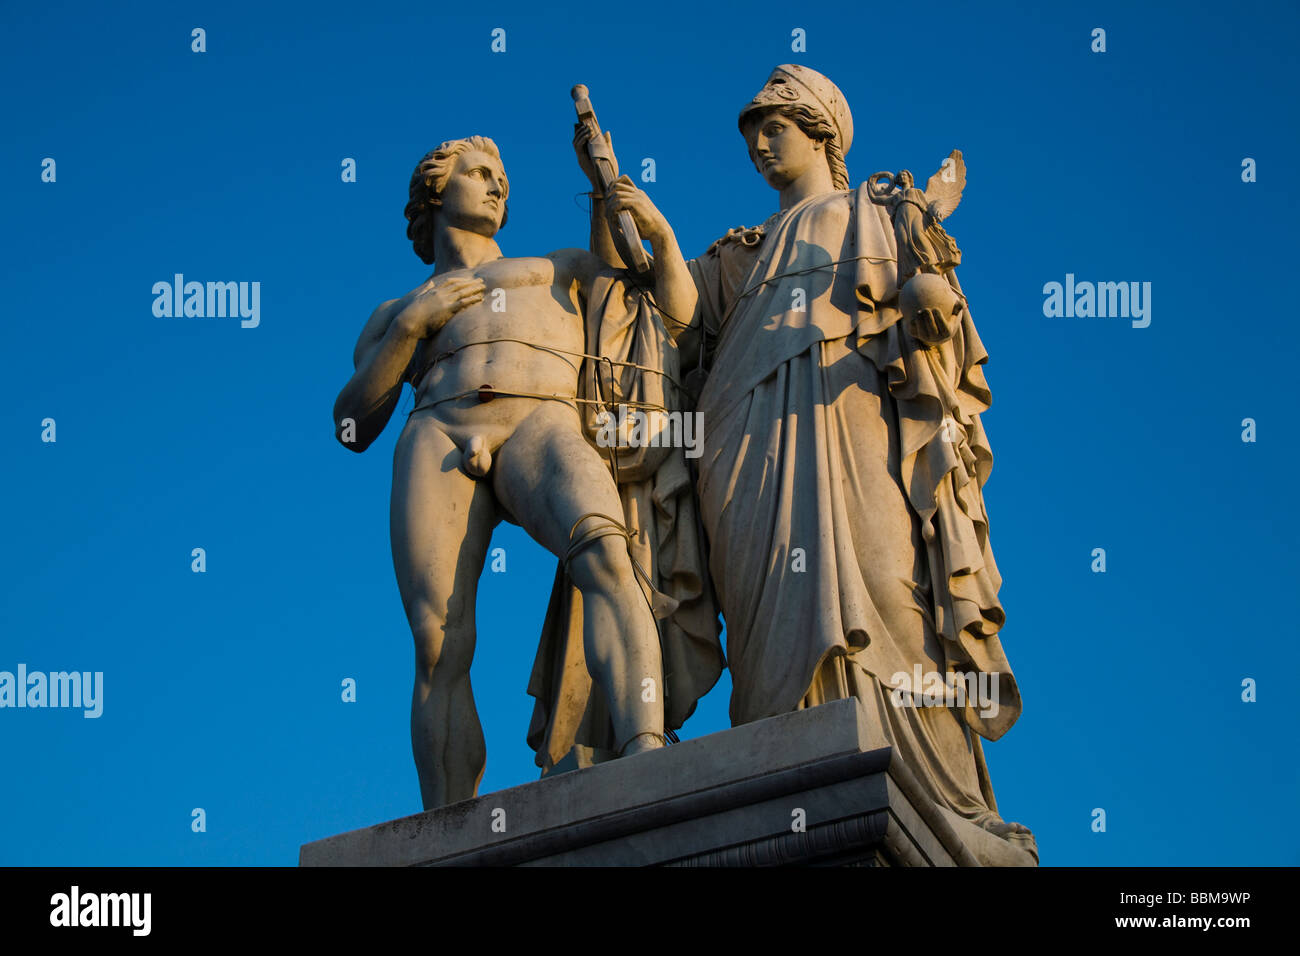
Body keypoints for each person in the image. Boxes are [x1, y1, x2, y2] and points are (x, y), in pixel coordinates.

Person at [584, 66, 1034, 854]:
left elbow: (934, 315)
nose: (759, 143)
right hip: (740, 429)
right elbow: (679, 323)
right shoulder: (738, 252)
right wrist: (646, 226)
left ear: (821, 130)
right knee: (768, 607)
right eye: (752, 131)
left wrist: (931, 307)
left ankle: (939, 792)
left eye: (774, 126)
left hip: (847, 406)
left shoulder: (880, 209)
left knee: (888, 583)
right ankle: (778, 756)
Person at [332, 135, 710, 809]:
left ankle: (644, 748)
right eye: (479, 174)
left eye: (502, 177)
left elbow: (652, 292)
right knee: (437, 640)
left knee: (606, 553)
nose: (497, 185)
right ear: (435, 193)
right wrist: (410, 331)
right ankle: (448, 823)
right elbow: (351, 426)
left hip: (541, 421)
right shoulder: (396, 311)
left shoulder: (555, 268)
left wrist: (605, 185)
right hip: (440, 432)